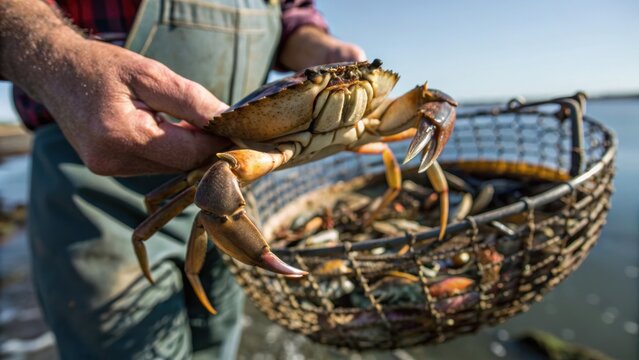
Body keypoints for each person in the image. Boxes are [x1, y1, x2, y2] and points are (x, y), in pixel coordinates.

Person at [0, 0, 365, 358]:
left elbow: (290, 12)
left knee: (219, 338)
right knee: (128, 342)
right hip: (88, 154)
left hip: (235, 186)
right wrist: (60, 60)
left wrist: (322, 49)